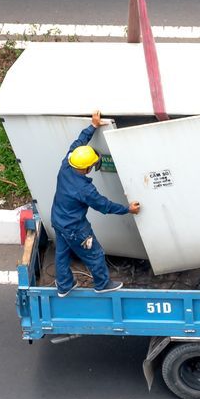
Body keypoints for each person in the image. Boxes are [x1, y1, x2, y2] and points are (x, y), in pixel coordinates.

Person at [52, 111, 140, 295]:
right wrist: (127, 209)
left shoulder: (67, 163)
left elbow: (79, 143)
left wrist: (93, 125)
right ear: (86, 167)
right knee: (95, 254)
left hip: (58, 220)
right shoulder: (84, 190)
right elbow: (104, 206)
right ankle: (102, 284)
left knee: (62, 254)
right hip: (76, 228)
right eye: (92, 165)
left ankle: (64, 285)